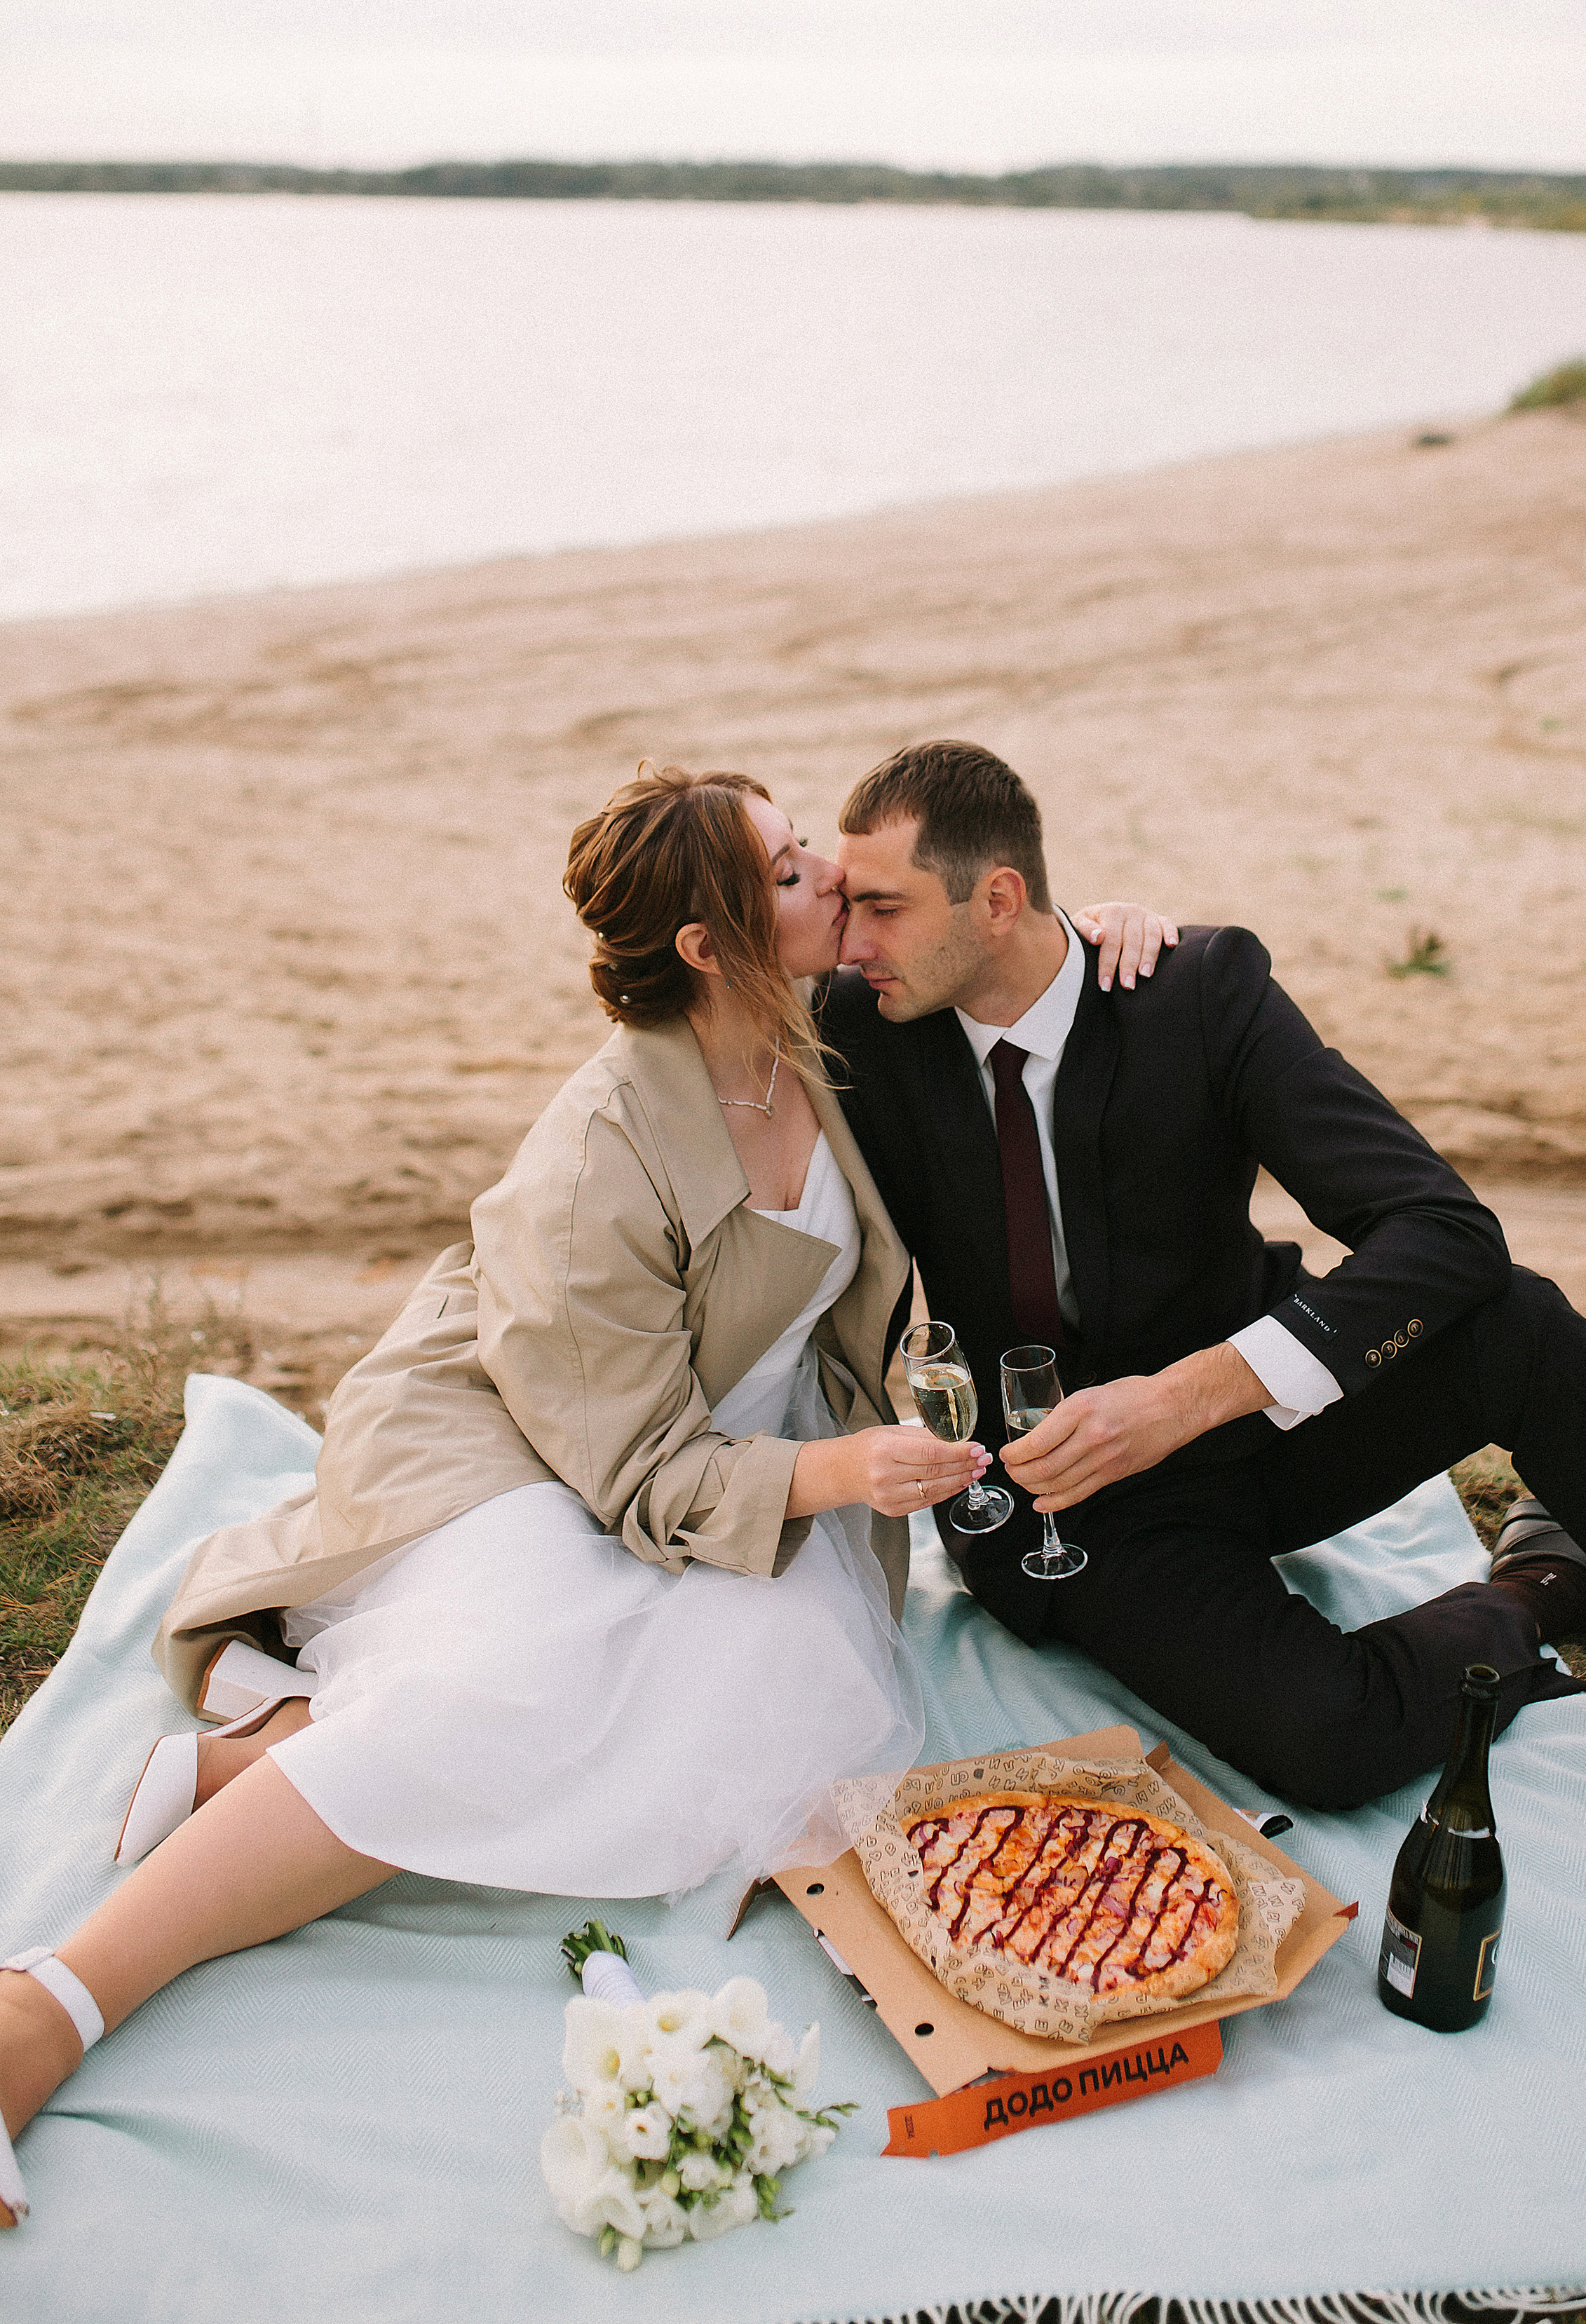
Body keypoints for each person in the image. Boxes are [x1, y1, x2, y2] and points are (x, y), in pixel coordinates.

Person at [0, 763, 1163, 2226]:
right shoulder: (598, 1152)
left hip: (730, 1437)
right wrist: (847, 1472)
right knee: (516, 1688)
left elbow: (988, 954)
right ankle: (54, 1997)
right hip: (528, 1433)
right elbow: (638, 1470)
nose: (832, 890)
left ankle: (255, 1765)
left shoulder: (833, 1027)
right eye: (793, 870)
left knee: (770, 1731)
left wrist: (1096, 932)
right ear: (708, 943)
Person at [820, 739, 1586, 1814]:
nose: (852, 940)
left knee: (1515, 1319)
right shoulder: (856, 1024)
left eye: (883, 907)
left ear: (999, 899)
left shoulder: (1195, 992)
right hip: (1074, 1498)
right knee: (1326, 1741)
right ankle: (1538, 1585)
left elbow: (1443, 1228)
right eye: (844, 905)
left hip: (1260, 1411)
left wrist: (1192, 1394)